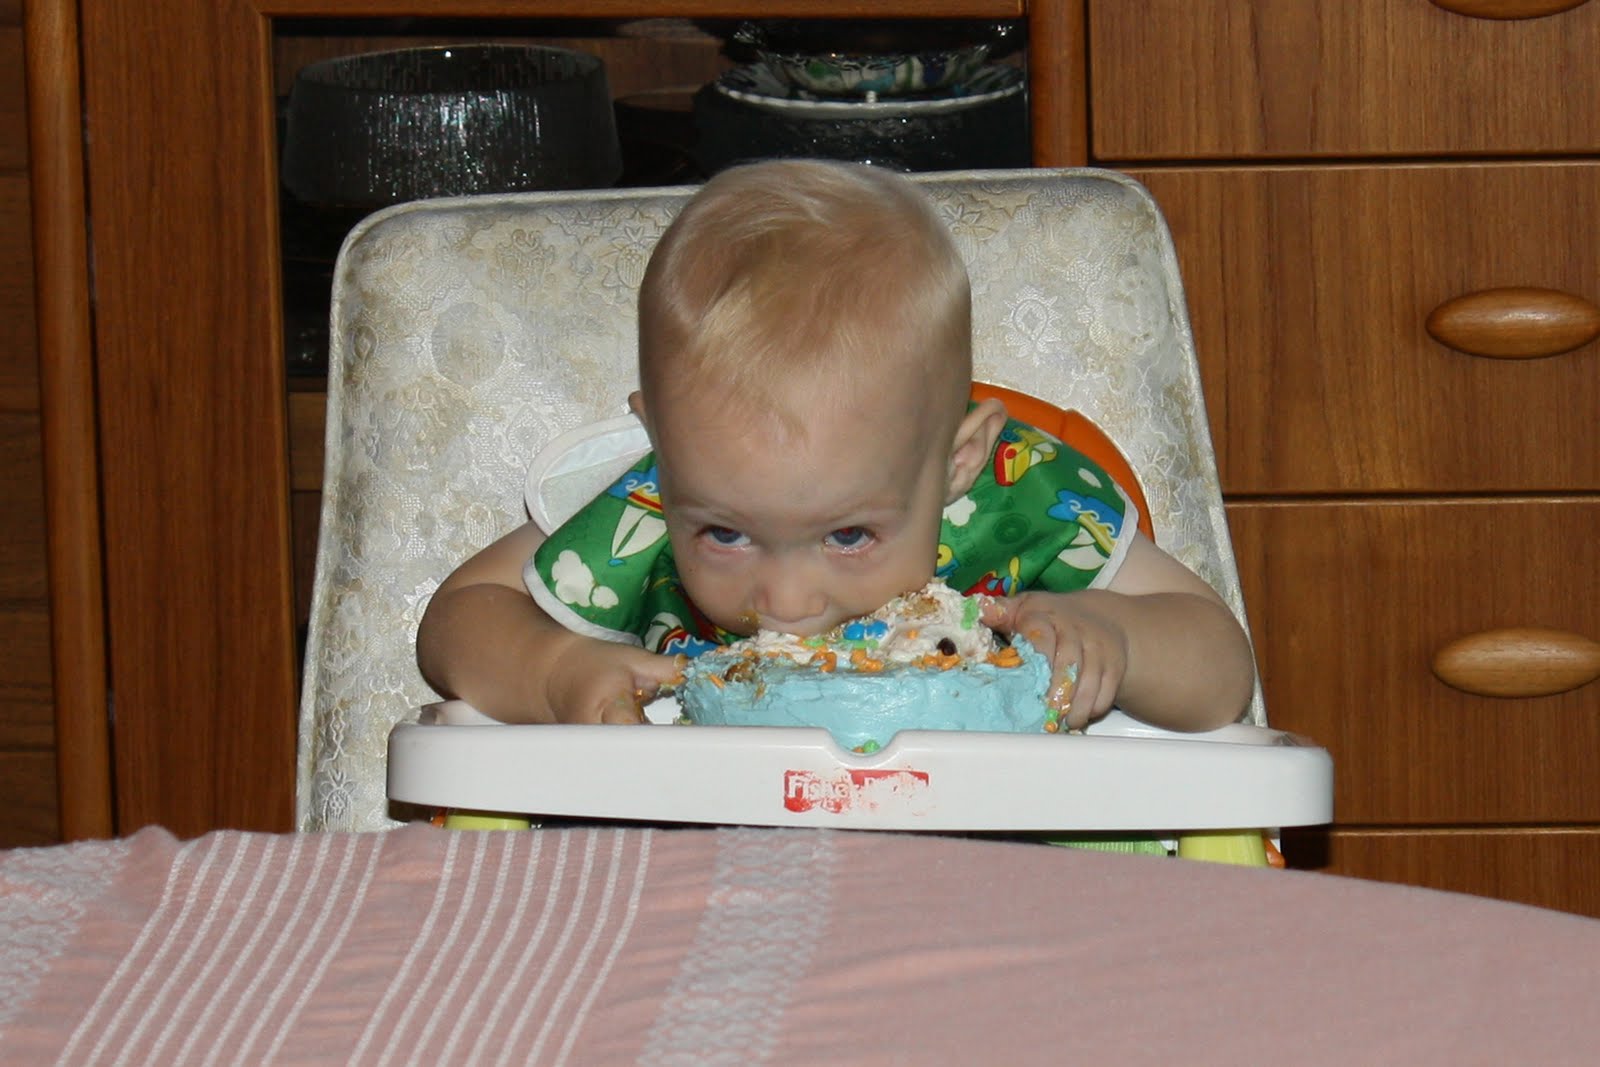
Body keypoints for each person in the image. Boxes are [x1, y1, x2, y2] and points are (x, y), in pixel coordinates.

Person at [416, 159, 1255, 733]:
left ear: (958, 462)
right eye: (725, 533)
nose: (783, 598)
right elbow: (458, 622)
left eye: (849, 536)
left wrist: (1117, 636)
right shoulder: (657, 494)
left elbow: (1222, 669)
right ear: (662, 449)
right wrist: (556, 669)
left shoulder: (1019, 499)